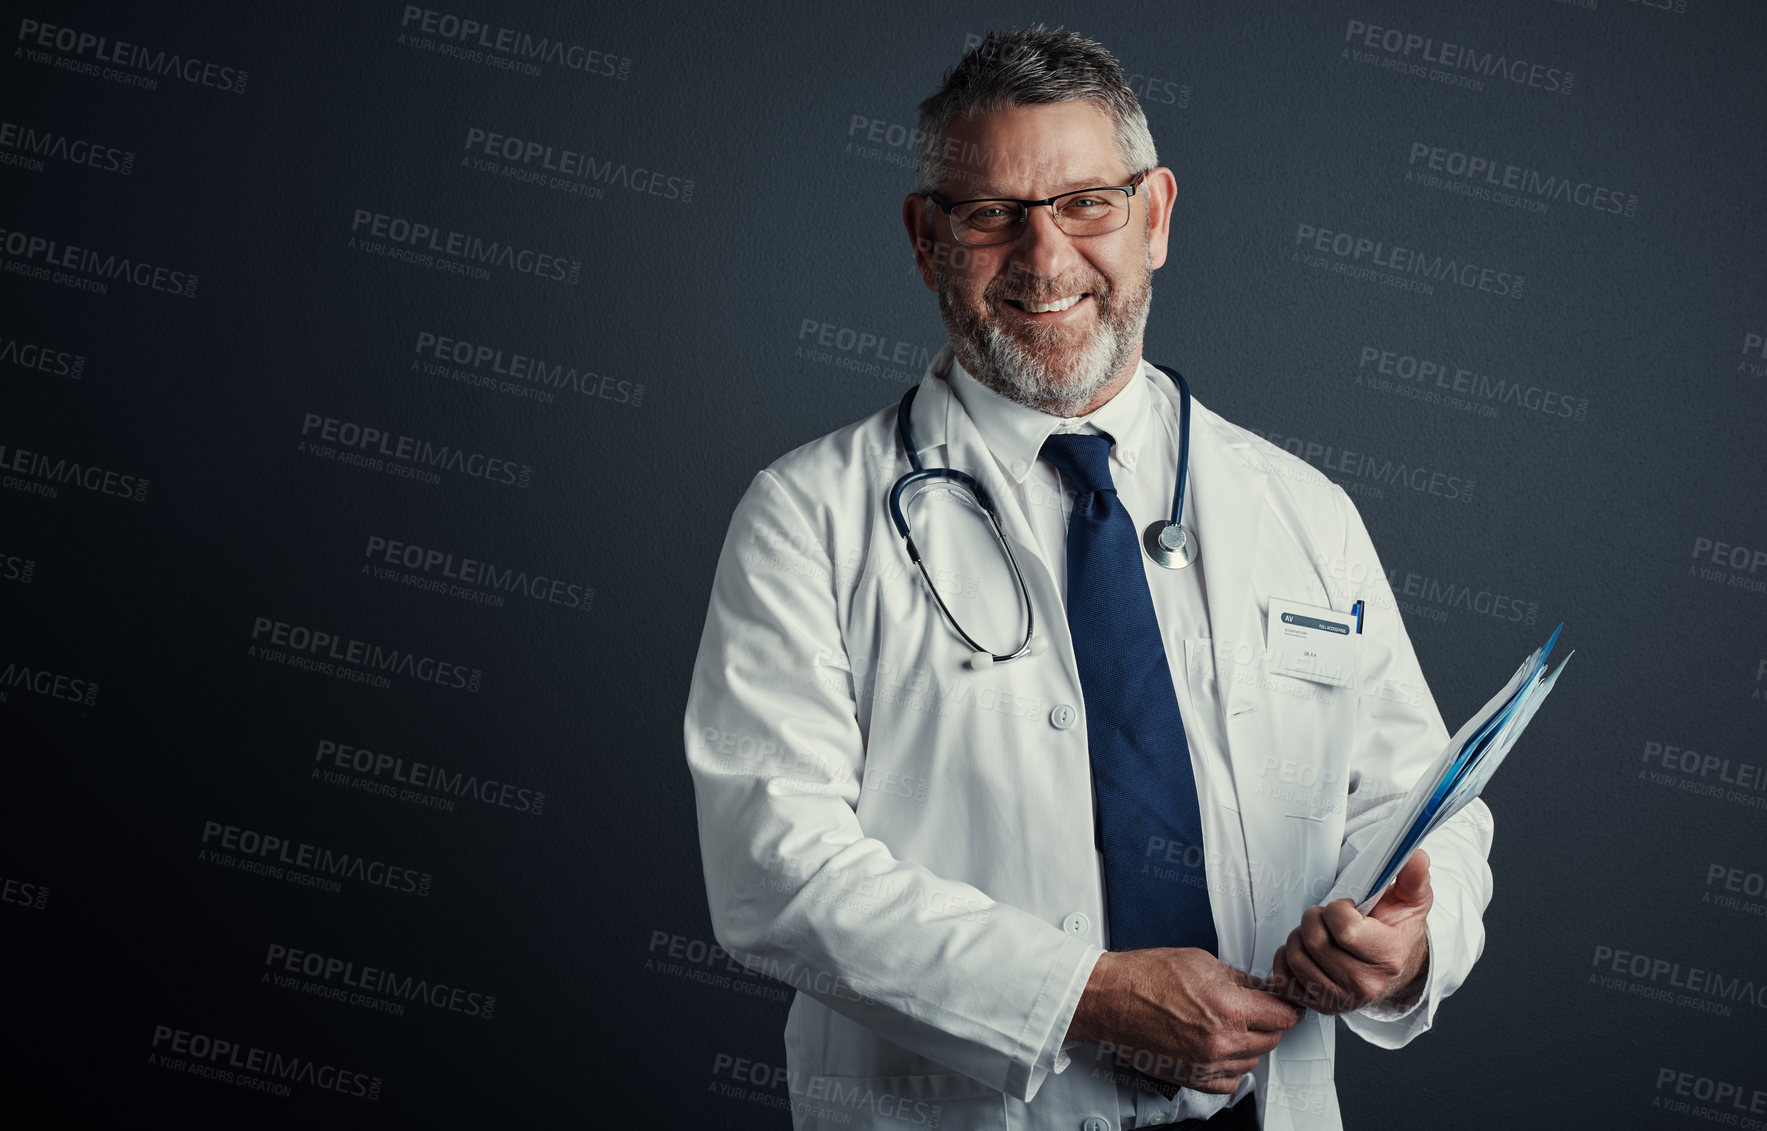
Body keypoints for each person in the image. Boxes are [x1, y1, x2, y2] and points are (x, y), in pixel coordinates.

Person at [684, 26, 1493, 1131]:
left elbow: (1425, 806)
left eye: (1086, 206)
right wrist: (1081, 997)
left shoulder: (1302, 511)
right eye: (991, 217)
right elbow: (774, 871)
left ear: (1155, 216)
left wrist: (1412, 942)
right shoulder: (808, 518)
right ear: (926, 240)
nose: (1046, 259)